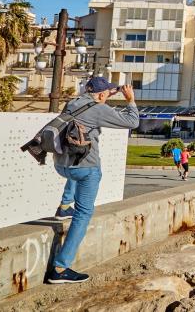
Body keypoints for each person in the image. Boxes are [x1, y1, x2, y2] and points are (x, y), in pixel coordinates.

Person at [47, 77, 139, 284]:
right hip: (85, 169)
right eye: (105, 93)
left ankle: (64, 206)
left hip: (61, 166)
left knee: (76, 169)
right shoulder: (99, 109)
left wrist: (108, 92)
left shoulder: (73, 102)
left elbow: (96, 99)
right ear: (99, 95)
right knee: (83, 213)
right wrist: (130, 100)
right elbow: (133, 122)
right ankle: (60, 269)